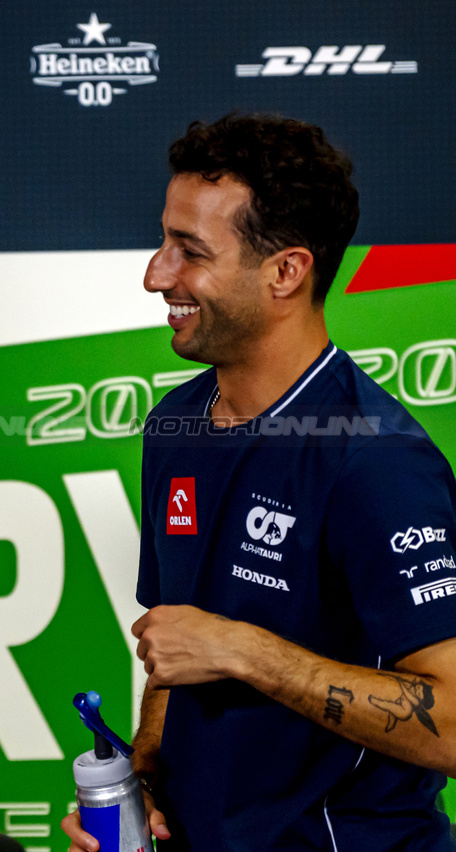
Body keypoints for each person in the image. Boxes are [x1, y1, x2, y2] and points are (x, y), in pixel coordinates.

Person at [63, 113, 456, 850]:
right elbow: (179, 649)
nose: (156, 274)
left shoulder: (375, 460)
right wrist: (142, 777)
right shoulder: (175, 423)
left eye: (190, 252)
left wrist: (246, 651)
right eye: (163, 239)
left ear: (286, 272)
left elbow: (455, 725)